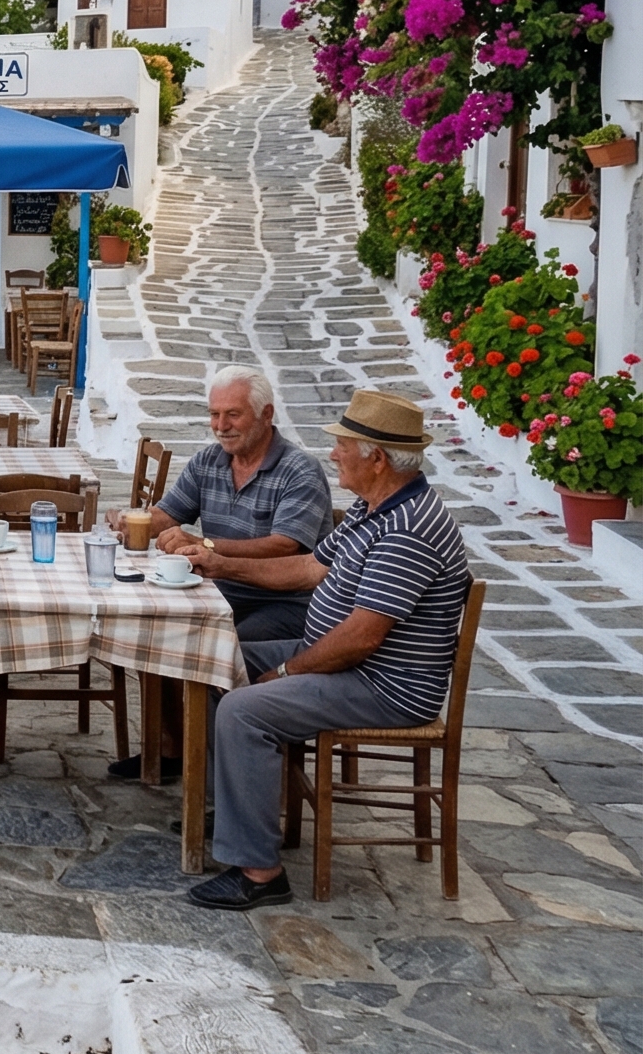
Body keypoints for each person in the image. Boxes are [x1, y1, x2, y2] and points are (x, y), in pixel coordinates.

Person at [184, 389, 471, 911]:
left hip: (385, 686)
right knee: (208, 659)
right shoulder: (374, 508)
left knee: (244, 708)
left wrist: (287, 670)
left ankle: (259, 872)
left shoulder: (408, 528)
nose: (334, 454)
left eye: (343, 445)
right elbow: (309, 568)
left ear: (377, 458)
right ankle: (235, 808)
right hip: (348, 661)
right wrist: (219, 563)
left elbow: (362, 636)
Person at [114, 365, 335, 780]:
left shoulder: (299, 470)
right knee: (157, 627)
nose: (220, 426)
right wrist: (135, 521)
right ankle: (171, 750)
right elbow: (168, 513)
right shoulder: (210, 461)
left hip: (285, 601)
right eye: (214, 415)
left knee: (215, 650)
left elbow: (286, 546)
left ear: (266, 415)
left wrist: (206, 546)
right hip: (223, 590)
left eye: (232, 415)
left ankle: (224, 778)